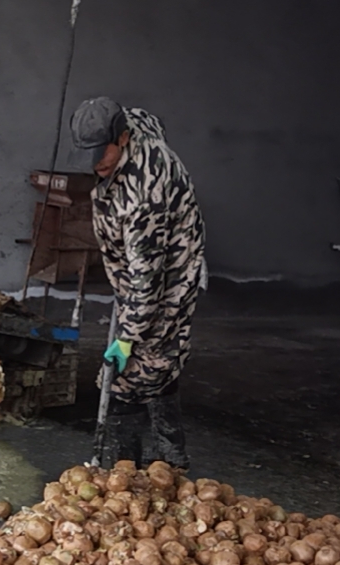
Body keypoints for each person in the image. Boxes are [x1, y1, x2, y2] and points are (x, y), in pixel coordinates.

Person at [72, 96, 207, 470]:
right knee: (157, 364)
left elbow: (147, 280)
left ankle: (126, 472)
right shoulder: (127, 129)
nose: (95, 163)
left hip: (168, 278)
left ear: (124, 138)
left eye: (103, 154)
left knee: (125, 379)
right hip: (139, 274)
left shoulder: (142, 194)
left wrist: (126, 339)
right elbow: (149, 118)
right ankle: (170, 460)